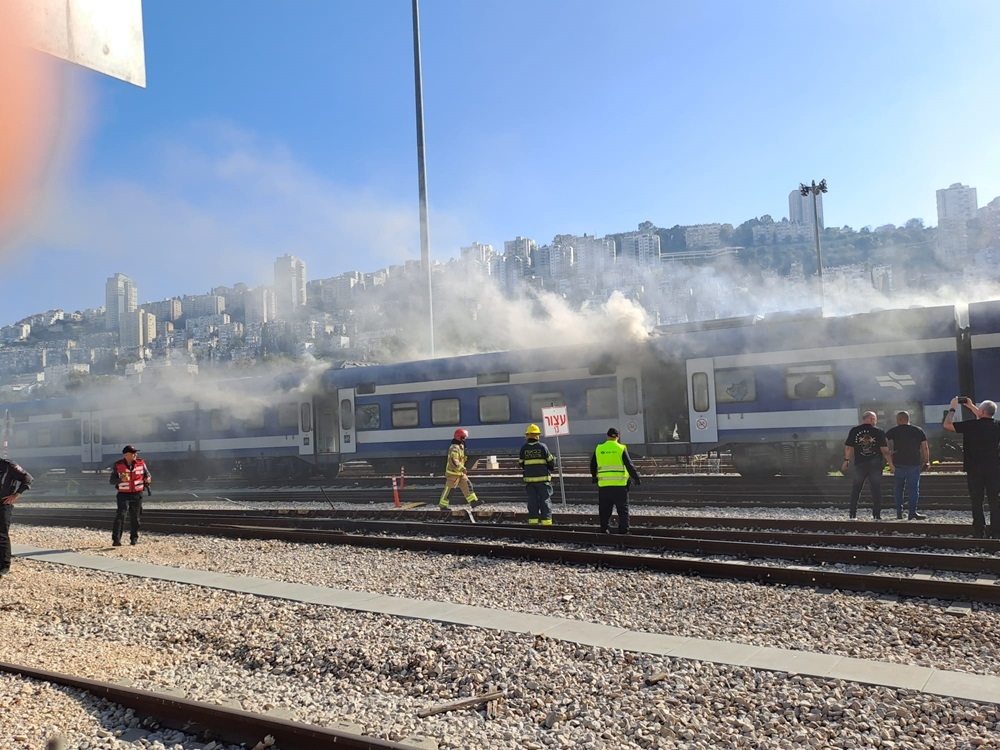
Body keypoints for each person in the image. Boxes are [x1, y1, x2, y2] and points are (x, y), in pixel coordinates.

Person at [943, 397, 1000, 538]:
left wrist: (952, 408)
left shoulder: (971, 425)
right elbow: (985, 417)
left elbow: (947, 424)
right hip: (994, 469)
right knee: (995, 501)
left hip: (974, 469)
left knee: (976, 500)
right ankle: (996, 531)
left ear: (980, 411)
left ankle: (979, 531)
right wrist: (972, 406)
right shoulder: (997, 425)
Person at [590, 427, 641, 534]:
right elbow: (629, 465)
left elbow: (593, 465)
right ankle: (623, 531)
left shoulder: (599, 448)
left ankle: (604, 529)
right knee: (622, 510)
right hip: (620, 486)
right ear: (618, 437)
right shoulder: (621, 448)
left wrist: (594, 477)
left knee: (604, 510)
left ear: (607, 436)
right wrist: (636, 477)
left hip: (604, 486)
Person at [842, 412, 890, 520]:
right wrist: (891, 464)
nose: (876, 421)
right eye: (875, 419)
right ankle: (877, 515)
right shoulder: (878, 431)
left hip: (860, 464)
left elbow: (848, 447)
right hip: (875, 465)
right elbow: (884, 450)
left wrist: (846, 460)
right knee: (876, 490)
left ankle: (852, 515)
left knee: (856, 490)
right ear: (872, 419)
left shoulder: (854, 430)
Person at [885, 411, 930, 520]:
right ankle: (912, 513)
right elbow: (925, 447)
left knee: (899, 489)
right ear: (908, 419)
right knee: (914, 489)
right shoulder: (918, 430)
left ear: (899, 419)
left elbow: (883, 442)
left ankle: (899, 513)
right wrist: (927, 461)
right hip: (914, 464)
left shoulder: (893, 431)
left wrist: (889, 453)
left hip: (898, 464)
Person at [111, 445, 151, 546]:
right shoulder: (118, 465)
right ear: (126, 455)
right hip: (123, 494)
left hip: (137, 493)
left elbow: (148, 475)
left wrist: (148, 479)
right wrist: (120, 480)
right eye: (133, 453)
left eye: (135, 453)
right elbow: (112, 481)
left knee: (135, 517)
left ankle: (134, 538)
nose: (135, 455)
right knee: (121, 515)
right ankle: (116, 540)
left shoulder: (141, 463)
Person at [0, 457, 32, 576]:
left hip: (3, 505)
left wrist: (16, 494)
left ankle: (4, 566)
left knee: (2, 536)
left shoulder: (9, 465)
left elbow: (27, 479)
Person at [518, 424, 555, 526]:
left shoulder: (524, 448)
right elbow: (551, 462)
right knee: (545, 501)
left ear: (528, 436)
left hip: (530, 481)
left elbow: (521, 463)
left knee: (532, 502)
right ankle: (546, 523)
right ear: (537, 436)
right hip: (543, 481)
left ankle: (533, 522)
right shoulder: (543, 447)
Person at [438, 429, 480, 510]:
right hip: (453, 473)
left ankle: (473, 502)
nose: (465, 439)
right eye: (464, 437)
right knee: (450, 490)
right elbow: (454, 461)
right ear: (460, 437)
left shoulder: (460, 446)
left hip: (460, 473)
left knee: (468, 486)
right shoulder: (454, 448)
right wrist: (462, 468)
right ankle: (443, 505)